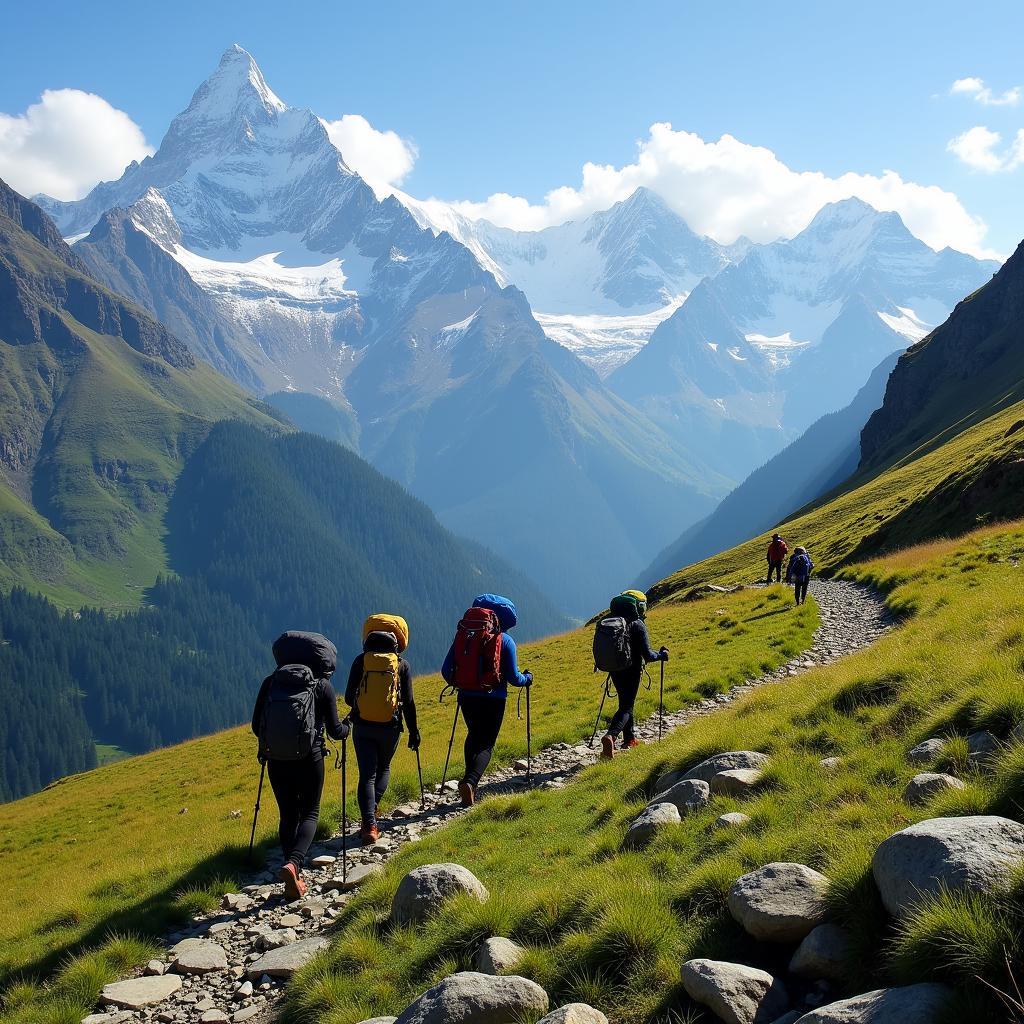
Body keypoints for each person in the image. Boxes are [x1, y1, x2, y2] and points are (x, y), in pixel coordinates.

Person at [252, 631, 348, 901]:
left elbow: (255, 725)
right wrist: (348, 727)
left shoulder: (271, 683)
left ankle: (291, 872)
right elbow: (335, 730)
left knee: (288, 815)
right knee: (310, 813)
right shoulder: (322, 687)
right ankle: (294, 864)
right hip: (310, 758)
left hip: (276, 760)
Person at [441, 594, 532, 807]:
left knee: (473, 735)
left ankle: (468, 779)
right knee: (487, 743)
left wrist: (463, 683)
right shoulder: (505, 640)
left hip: (466, 696)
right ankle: (471, 782)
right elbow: (514, 678)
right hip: (494, 698)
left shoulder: (463, 636)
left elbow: (446, 670)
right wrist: (528, 678)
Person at [345, 614, 419, 844]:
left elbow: (348, 697)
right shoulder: (401, 665)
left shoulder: (361, 661)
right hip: (390, 727)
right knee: (383, 767)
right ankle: (372, 812)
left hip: (363, 726)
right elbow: (408, 701)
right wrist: (414, 731)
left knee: (367, 774)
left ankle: (369, 824)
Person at [601, 590, 668, 759]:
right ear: (639, 606)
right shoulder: (637, 623)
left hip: (614, 669)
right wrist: (661, 655)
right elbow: (648, 655)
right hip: (631, 670)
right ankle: (611, 736)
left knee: (624, 702)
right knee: (626, 707)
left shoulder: (609, 621)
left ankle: (629, 739)